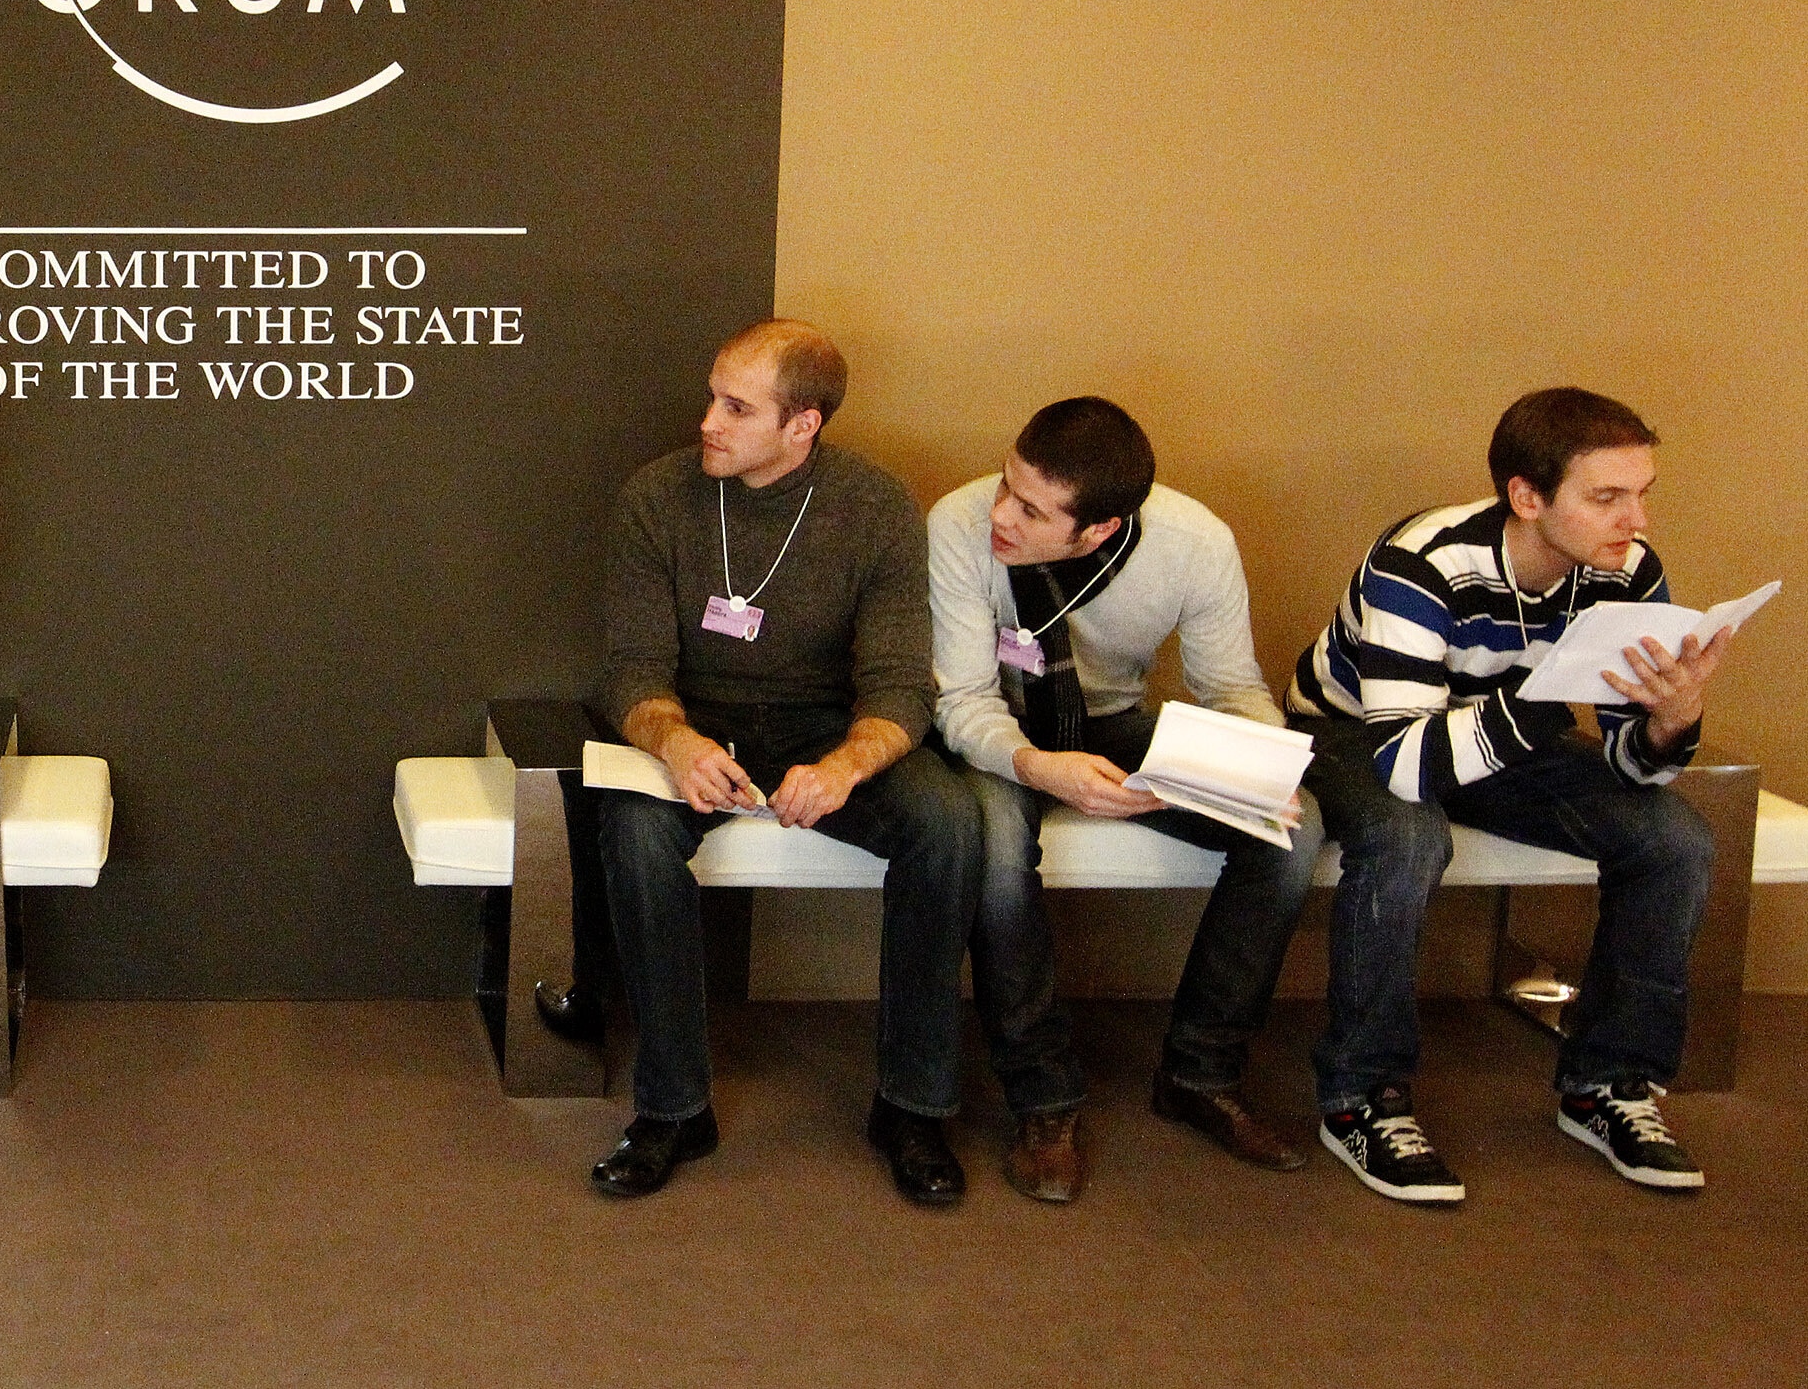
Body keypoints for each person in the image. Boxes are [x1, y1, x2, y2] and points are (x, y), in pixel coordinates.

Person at [1289, 388, 1737, 1202]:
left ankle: (1607, 1085)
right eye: (1606, 498)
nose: (1633, 520)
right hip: (1356, 732)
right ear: (1526, 498)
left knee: (1675, 840)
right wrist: (1541, 703)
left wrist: (1672, 723)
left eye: (1641, 495)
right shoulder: (1421, 561)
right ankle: (1361, 1098)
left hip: (1499, 730)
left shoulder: (1628, 570)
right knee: (1410, 836)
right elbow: (1408, 766)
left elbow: (1633, 768)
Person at [588, 319, 980, 1203]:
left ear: (803, 425)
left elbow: (897, 687)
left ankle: (912, 1106)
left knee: (950, 825)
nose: (708, 422)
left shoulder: (874, 507)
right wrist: (676, 741)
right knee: (634, 831)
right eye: (711, 397)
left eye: (737, 407)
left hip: (823, 728)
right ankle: (673, 1108)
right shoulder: (655, 499)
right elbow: (632, 673)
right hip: (695, 722)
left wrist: (844, 767)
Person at [929, 397, 1322, 1202]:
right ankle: (1044, 1098)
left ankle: (1200, 1073)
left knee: (1295, 832)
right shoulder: (958, 524)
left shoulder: (1194, 543)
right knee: (997, 847)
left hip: (1117, 724)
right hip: (1001, 731)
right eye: (1007, 484)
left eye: (1031, 510)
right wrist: (1040, 767)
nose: (1001, 512)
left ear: (1098, 530)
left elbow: (1230, 687)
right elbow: (962, 699)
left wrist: (1261, 768)